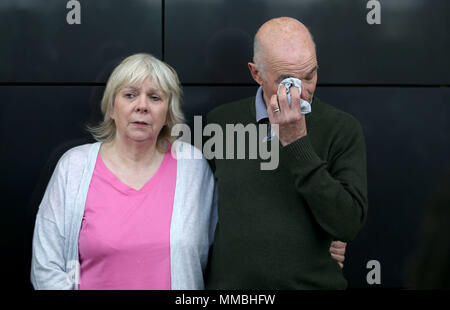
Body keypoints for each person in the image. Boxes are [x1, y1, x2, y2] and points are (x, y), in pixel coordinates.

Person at [204, 17, 368, 289]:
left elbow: (347, 223)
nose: (302, 92)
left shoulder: (342, 128)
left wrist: (297, 143)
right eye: (287, 80)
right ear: (256, 74)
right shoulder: (219, 122)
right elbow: (194, 211)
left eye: (310, 76)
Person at [31, 53, 217, 290]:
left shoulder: (192, 166)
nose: (142, 106)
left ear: (168, 113)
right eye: (130, 95)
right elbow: (46, 266)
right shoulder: (74, 166)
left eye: (155, 97)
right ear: (111, 107)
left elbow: (217, 255)